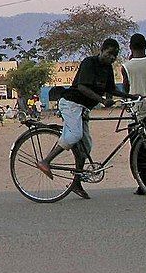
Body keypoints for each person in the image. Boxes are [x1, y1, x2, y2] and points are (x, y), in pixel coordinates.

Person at [36, 38, 136, 199]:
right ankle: (45, 161)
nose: (112, 58)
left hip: (83, 108)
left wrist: (130, 95)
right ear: (102, 50)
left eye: (115, 55)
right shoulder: (89, 62)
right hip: (71, 103)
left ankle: (76, 182)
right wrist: (102, 100)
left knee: (85, 147)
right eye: (110, 53)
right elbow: (82, 87)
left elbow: (111, 89)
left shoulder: (108, 68)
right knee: (75, 135)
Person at [122, 33, 146, 195]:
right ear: (145, 46)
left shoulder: (126, 66)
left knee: (139, 151)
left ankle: (143, 183)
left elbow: (126, 88)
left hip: (138, 110)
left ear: (130, 47)